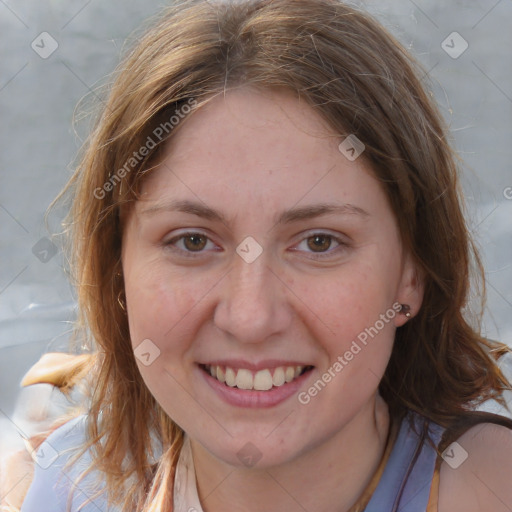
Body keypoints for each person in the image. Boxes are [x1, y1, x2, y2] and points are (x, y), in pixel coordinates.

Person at [17, 0, 512, 511]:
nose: (250, 318)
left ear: (413, 272)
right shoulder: (48, 490)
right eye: (192, 241)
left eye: (319, 242)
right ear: (117, 269)